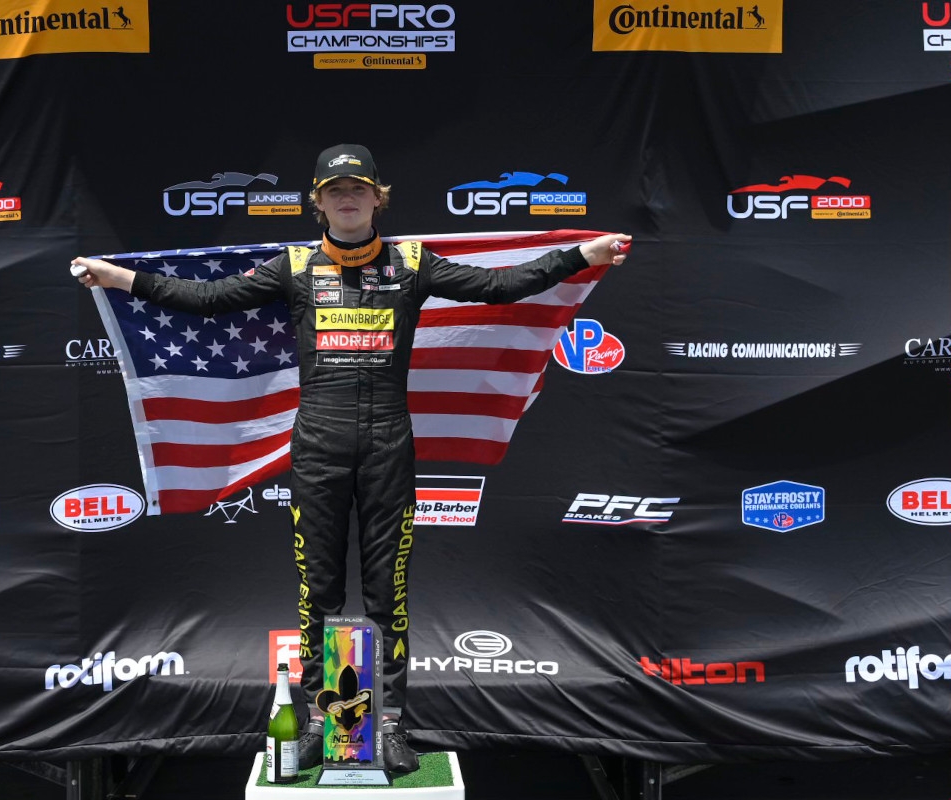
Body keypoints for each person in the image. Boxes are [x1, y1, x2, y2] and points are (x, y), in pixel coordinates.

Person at [72, 144, 631, 774]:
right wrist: (118, 278)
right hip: (319, 443)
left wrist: (582, 255)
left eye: (358, 189)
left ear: (376, 198)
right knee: (319, 590)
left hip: (390, 442)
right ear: (318, 202)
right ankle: (321, 720)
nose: (347, 198)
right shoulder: (292, 266)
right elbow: (208, 299)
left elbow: (501, 287)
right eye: (334, 190)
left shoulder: (412, 263)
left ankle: (389, 724)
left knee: (388, 589)